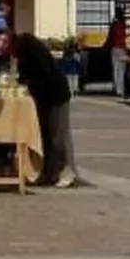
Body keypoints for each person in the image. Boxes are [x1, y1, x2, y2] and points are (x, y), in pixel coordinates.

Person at [14, 34, 78, 188]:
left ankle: (67, 171)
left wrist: (27, 82)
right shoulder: (27, 56)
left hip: (56, 96)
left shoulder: (35, 57)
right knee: (46, 136)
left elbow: (41, 76)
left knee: (59, 135)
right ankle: (49, 172)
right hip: (44, 98)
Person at [107, 10, 130, 100]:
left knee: (116, 69)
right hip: (123, 48)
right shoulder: (125, 26)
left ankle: (117, 89)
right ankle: (121, 90)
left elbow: (110, 37)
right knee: (122, 70)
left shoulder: (114, 25)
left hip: (114, 48)